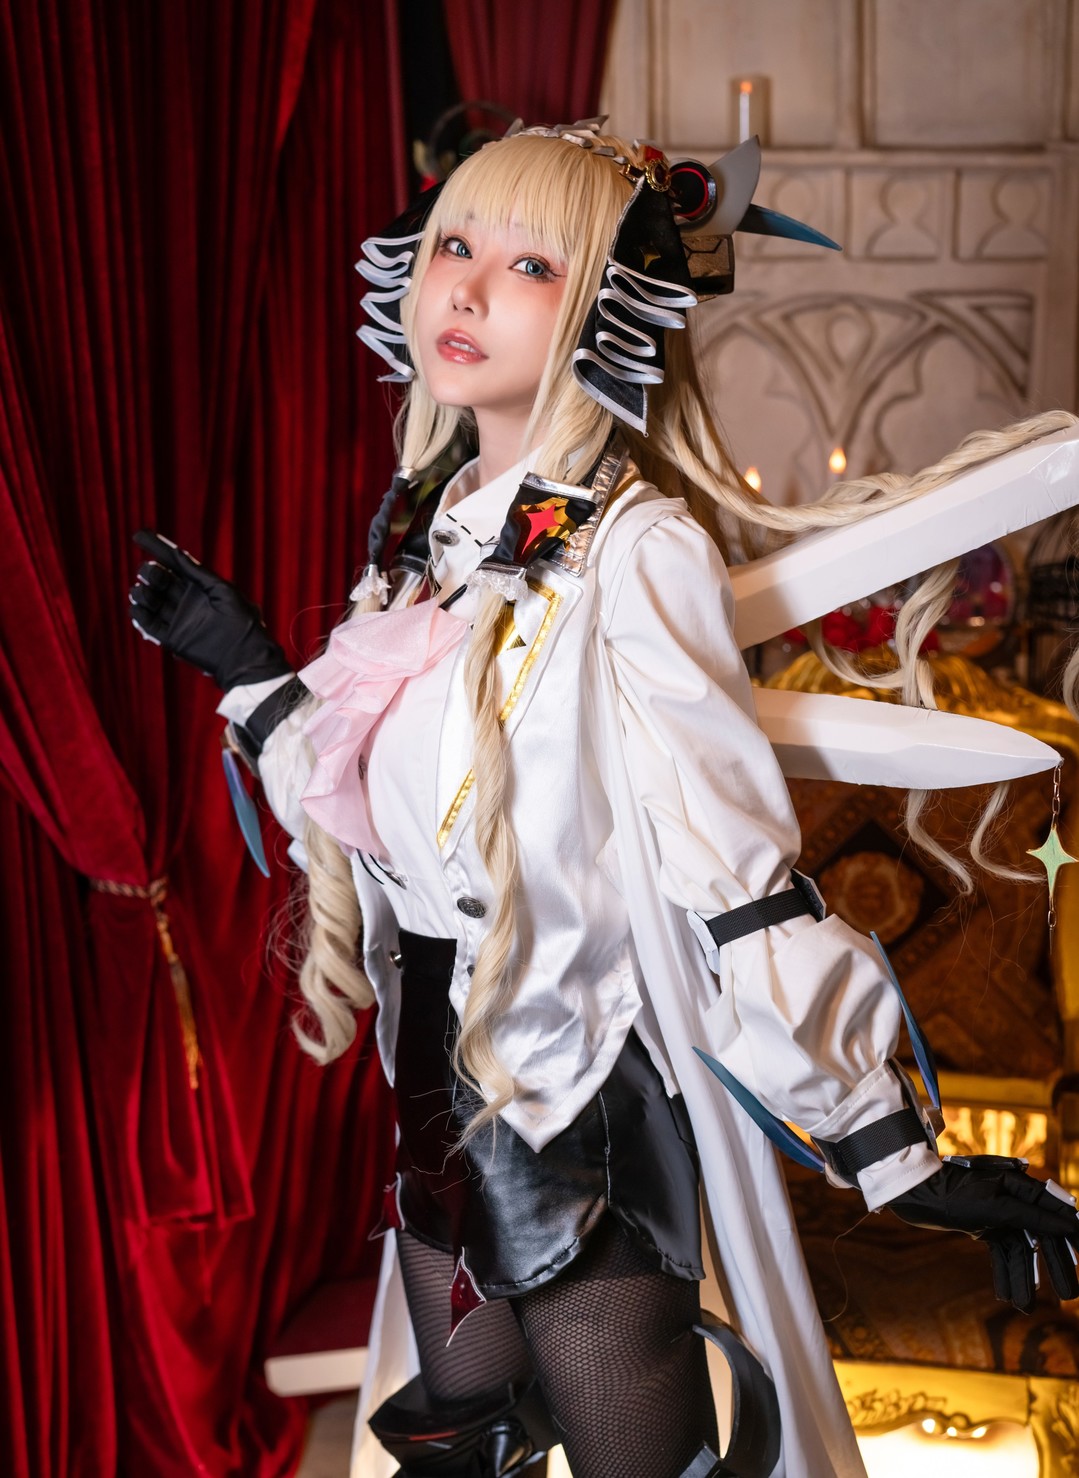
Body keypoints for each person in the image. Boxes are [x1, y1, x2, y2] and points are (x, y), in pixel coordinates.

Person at [129, 122, 1079, 1478]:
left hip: (572, 1107)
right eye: (454, 245)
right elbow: (400, 834)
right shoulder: (425, 543)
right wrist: (258, 677)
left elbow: (735, 880)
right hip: (436, 1095)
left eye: (530, 264)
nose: (466, 288)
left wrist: (887, 1145)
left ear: (606, 308)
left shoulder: (638, 552)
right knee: (463, 1446)